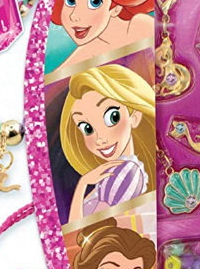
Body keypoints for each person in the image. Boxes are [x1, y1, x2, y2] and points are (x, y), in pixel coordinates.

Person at [60, 64, 156, 223]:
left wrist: (83, 184)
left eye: (112, 118)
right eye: (87, 128)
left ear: (134, 117)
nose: (99, 139)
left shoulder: (127, 173)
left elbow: (81, 227)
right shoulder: (110, 175)